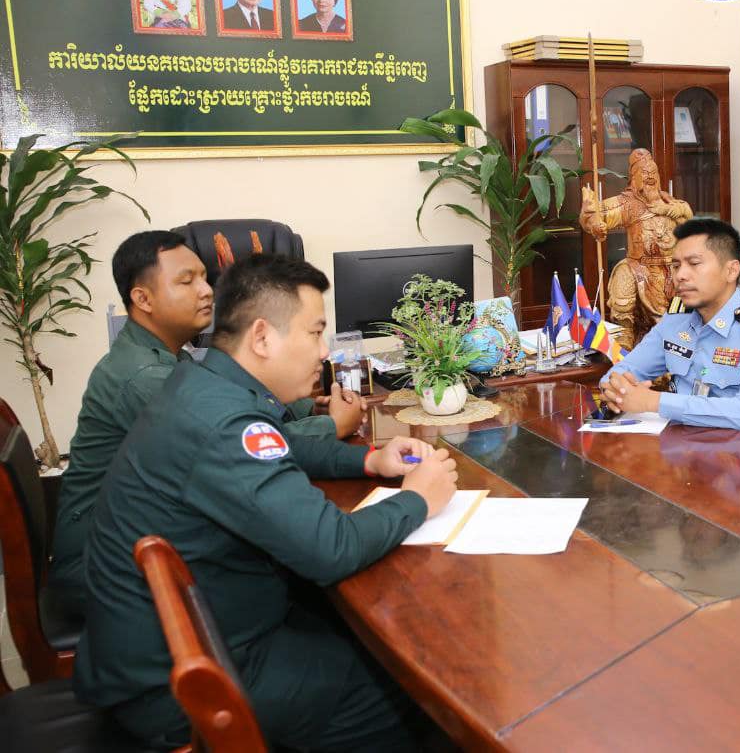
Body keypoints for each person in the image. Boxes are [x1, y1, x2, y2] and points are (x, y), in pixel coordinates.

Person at [73, 254, 458, 751]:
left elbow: (282, 444)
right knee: (417, 688)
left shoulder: (203, 385)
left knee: (362, 631)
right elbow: (330, 548)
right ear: (261, 338)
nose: (324, 351)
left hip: (176, 642)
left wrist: (368, 462)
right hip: (187, 680)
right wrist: (417, 500)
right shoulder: (224, 421)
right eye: (315, 333)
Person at [49, 231, 364, 613]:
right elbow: (243, 438)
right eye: (187, 281)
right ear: (143, 299)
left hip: (144, 542)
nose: (206, 291)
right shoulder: (144, 377)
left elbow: (246, 407)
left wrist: (304, 406)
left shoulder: (167, 356)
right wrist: (334, 426)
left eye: (204, 277)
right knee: (305, 567)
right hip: (105, 568)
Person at [599, 218, 740, 447]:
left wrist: (654, 401)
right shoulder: (676, 319)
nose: (680, 275)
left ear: (731, 270)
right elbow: (623, 371)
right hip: (686, 451)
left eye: (694, 263)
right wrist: (617, 390)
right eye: (676, 266)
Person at [580, 148, 692, 347]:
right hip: (640, 268)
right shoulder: (627, 204)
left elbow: (690, 224)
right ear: (634, 177)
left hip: (671, 270)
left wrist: (671, 210)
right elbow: (596, 214)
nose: (650, 177)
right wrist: (592, 219)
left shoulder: (671, 202)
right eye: (645, 173)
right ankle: (625, 342)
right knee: (623, 275)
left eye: (653, 172)